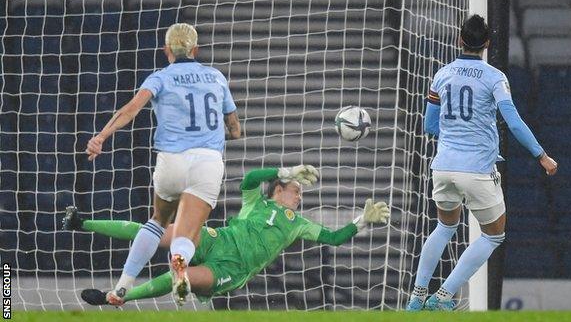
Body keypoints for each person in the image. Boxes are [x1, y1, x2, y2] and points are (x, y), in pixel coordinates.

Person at [64, 165, 390, 306]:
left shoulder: (299, 224)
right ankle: (82, 223)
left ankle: (120, 297)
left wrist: (361, 220)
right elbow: (249, 179)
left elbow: (333, 238)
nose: (299, 195)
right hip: (219, 239)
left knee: (186, 276)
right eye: (294, 190)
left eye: (300, 193)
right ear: (278, 190)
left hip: (232, 269)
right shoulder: (255, 202)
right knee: (161, 230)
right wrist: (285, 171)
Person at [405, 15, 558, 311]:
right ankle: (444, 296)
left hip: (444, 166)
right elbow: (513, 123)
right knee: (493, 234)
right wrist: (541, 155)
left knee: (444, 227)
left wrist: (455, 134)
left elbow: (430, 125)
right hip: (476, 169)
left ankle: (417, 295)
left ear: (459, 40)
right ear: (487, 43)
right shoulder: (494, 77)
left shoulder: (442, 75)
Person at [84, 23, 241, 305]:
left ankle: (122, 287)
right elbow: (234, 126)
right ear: (196, 49)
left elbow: (130, 109)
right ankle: (179, 266)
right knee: (187, 233)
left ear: (166, 50)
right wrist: (229, 132)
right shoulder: (216, 76)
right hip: (207, 162)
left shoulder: (160, 77)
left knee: (158, 221)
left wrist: (101, 137)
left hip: (172, 161)